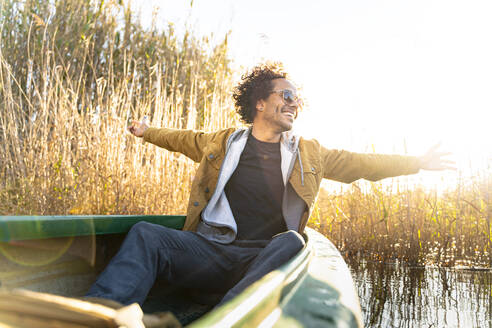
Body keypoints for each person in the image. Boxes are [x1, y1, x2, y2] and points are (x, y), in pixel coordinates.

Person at [86, 63, 454, 307]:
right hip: (214, 251)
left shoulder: (309, 154)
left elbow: (363, 164)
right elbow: (180, 138)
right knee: (147, 233)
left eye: (298, 100)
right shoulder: (222, 142)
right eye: (287, 96)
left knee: (293, 241)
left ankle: (229, 312)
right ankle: (99, 311)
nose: (295, 105)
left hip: (263, 261)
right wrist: (147, 131)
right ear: (260, 103)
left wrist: (417, 163)